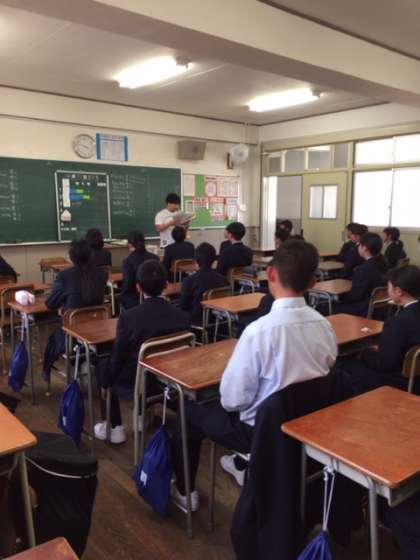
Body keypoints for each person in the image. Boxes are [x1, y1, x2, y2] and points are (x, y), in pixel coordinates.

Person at [171, 240, 337, 507]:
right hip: (308, 426)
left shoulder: (259, 332)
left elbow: (232, 400)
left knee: (188, 411)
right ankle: (240, 463)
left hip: (259, 432)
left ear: (270, 274)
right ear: (313, 282)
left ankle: (185, 491)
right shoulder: (325, 326)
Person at [94, 260, 190, 444]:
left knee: (105, 366)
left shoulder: (128, 318)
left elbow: (118, 357)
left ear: (138, 287)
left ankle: (114, 427)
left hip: (139, 380)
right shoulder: (183, 317)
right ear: (166, 285)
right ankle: (141, 416)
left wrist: (105, 382)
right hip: (171, 379)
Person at [339, 265, 420, 394]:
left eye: (388, 286)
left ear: (398, 291)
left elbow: (383, 364)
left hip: (396, 382)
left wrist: (365, 353)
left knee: (343, 363)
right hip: (415, 380)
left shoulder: (398, 322)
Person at [42, 239, 107, 380]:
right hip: (98, 331)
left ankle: (46, 372)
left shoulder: (64, 276)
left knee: (53, 340)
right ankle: (83, 362)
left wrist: (64, 306)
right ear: (91, 255)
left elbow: (50, 304)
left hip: (72, 333)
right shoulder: (102, 274)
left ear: (71, 257)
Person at [333, 232, 387, 317]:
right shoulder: (383, 264)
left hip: (363, 309)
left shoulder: (364, 269)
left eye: (359, 245)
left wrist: (339, 298)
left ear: (364, 248)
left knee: (327, 307)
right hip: (380, 308)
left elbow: (355, 296)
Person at [179, 242, 229, 325]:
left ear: (196, 260)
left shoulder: (189, 280)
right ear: (214, 259)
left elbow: (183, 305)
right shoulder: (223, 279)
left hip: (196, 319)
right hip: (218, 319)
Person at [120, 230, 158, 310]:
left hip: (135, 299)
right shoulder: (155, 258)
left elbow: (127, 285)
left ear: (130, 244)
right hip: (154, 295)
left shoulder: (128, 261)